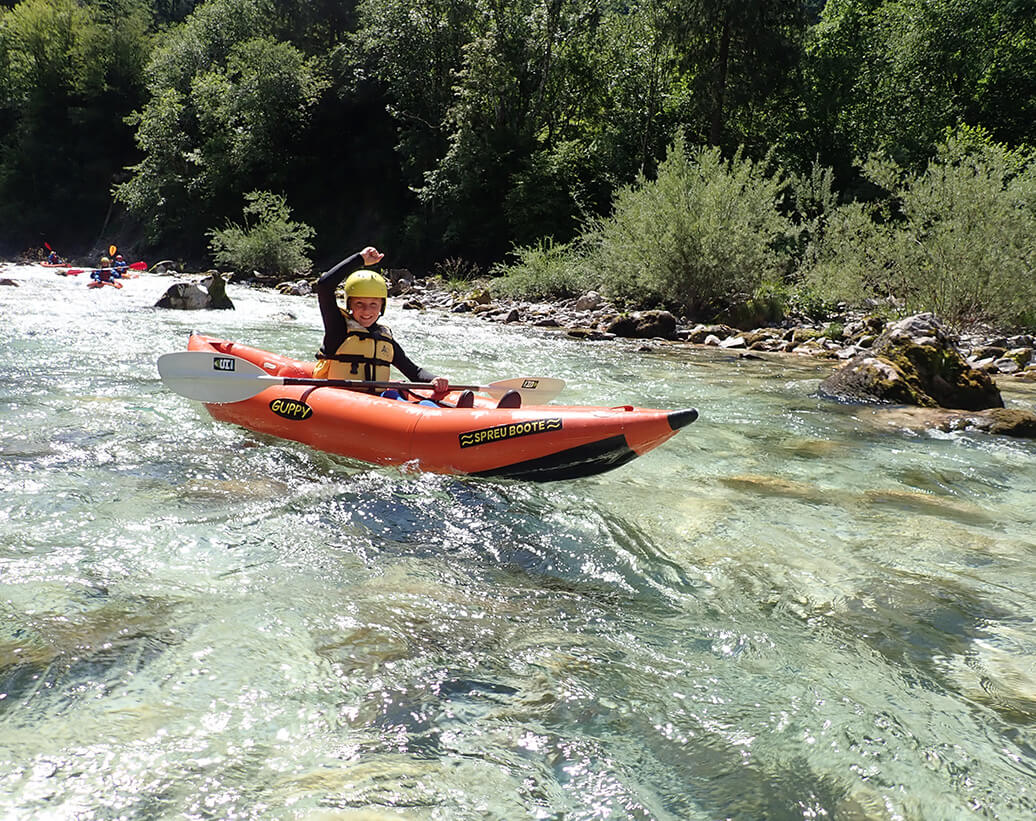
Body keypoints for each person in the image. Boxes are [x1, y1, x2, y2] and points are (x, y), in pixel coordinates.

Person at [315, 246, 458, 406]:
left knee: (394, 394)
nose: (366, 310)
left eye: (373, 304)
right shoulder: (338, 329)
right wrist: (360, 259)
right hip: (339, 402)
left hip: (377, 407)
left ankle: (446, 416)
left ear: (382, 306)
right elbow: (324, 286)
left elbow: (414, 372)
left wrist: (435, 379)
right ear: (350, 304)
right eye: (359, 303)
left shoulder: (384, 337)